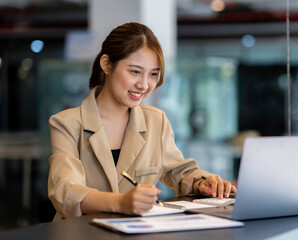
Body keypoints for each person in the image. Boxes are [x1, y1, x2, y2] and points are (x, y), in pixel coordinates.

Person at [48, 22, 237, 220]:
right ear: (106, 65)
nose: (144, 85)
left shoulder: (156, 121)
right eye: (135, 71)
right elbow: (65, 191)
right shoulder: (66, 123)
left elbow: (179, 172)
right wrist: (121, 203)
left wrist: (201, 183)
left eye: (153, 74)